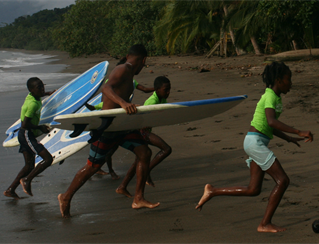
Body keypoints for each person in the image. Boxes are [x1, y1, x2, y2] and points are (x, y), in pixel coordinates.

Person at [195, 62, 313, 233]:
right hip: (255, 143)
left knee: (253, 189)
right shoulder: (270, 96)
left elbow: (269, 126)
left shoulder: (275, 97)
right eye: (288, 79)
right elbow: (272, 121)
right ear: (279, 80)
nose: (291, 83)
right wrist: (299, 131)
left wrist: (289, 138)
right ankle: (265, 223)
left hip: (256, 141)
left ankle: (212, 191)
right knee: (283, 180)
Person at [58, 44, 160, 218]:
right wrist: (123, 103)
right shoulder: (123, 69)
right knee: (93, 167)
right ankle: (66, 196)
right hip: (107, 127)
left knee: (144, 152)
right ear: (143, 60)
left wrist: (127, 106)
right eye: (144, 64)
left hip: (121, 125)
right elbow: (106, 88)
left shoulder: (127, 72)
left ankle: (138, 198)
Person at [85, 79, 154, 179]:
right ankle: (108, 171)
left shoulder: (131, 82)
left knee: (142, 152)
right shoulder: (109, 98)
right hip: (108, 129)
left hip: (121, 129)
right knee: (108, 153)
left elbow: (144, 89)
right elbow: (95, 106)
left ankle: (105, 170)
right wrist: (84, 103)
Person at [116, 76, 172, 197]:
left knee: (139, 161)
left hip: (144, 130)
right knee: (166, 149)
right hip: (141, 131)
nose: (168, 92)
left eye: (169, 89)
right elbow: (142, 121)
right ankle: (147, 171)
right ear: (156, 89)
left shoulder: (162, 99)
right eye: (165, 89)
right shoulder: (152, 102)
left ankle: (122, 186)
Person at [3, 77, 55, 199]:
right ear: (31, 90)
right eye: (39, 88)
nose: (42, 89)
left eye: (43, 86)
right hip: (26, 134)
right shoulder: (32, 104)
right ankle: (27, 179)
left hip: (25, 135)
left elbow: (38, 93)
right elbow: (24, 124)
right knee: (47, 159)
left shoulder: (33, 96)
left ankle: (10, 190)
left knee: (29, 166)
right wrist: (40, 127)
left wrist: (47, 93)